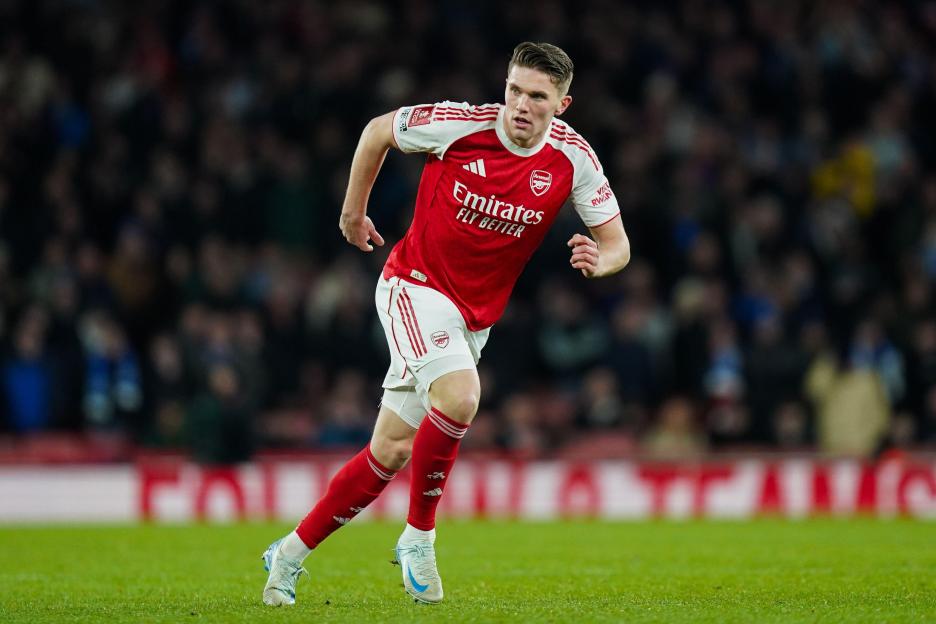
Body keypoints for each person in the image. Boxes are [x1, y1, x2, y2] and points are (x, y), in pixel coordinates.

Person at [261, 41, 631, 606]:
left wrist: (601, 261)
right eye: (514, 91)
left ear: (563, 104)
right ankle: (419, 537)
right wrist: (352, 211)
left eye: (537, 96)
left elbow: (618, 244)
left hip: (472, 320)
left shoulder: (573, 159)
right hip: (413, 286)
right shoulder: (458, 125)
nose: (521, 105)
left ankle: (286, 557)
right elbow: (377, 131)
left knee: (388, 452)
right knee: (460, 397)